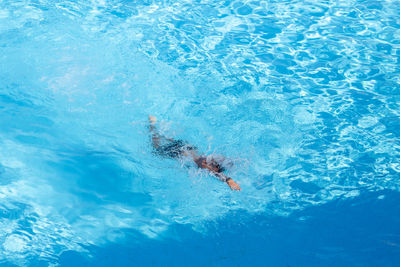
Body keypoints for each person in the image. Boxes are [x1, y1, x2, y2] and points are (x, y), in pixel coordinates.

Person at [149, 115, 241, 191]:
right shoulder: (206, 166)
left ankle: (160, 130)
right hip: (180, 151)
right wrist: (229, 180)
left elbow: (217, 174)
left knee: (169, 140)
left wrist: (228, 180)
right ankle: (152, 125)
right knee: (155, 150)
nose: (206, 161)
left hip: (187, 146)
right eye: (209, 160)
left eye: (210, 163)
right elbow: (217, 173)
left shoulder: (209, 168)